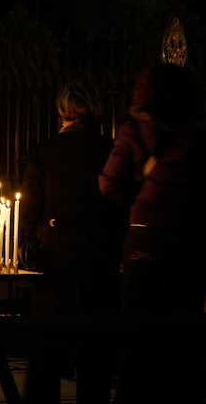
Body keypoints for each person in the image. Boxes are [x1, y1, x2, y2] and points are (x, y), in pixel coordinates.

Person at [99, 62, 206, 404]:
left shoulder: (134, 129)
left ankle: (135, 395)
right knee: (181, 324)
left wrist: (137, 202)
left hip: (145, 237)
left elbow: (109, 182)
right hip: (189, 236)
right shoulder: (197, 133)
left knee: (138, 324)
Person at [20, 81, 128, 404]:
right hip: (101, 259)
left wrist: (27, 242)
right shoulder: (109, 149)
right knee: (95, 359)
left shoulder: (45, 151)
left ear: (63, 113)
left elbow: (29, 209)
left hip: (57, 260)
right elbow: (121, 203)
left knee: (47, 356)